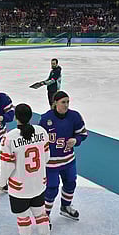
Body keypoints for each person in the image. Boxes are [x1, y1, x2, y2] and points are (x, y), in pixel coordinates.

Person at [0, 103, 53, 235]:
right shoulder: (42, 132)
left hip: (19, 187)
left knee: (23, 217)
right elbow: (47, 158)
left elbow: (7, 166)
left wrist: (1, 183)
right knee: (40, 213)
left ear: (16, 117)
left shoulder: (9, 137)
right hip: (38, 183)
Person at [39, 91, 87, 223]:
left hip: (68, 160)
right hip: (51, 163)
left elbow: (83, 134)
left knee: (71, 183)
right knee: (51, 189)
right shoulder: (45, 119)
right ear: (55, 103)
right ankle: (45, 215)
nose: (66, 105)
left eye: (67, 102)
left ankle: (65, 206)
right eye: (63, 102)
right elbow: (39, 140)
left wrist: (76, 140)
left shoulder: (75, 116)